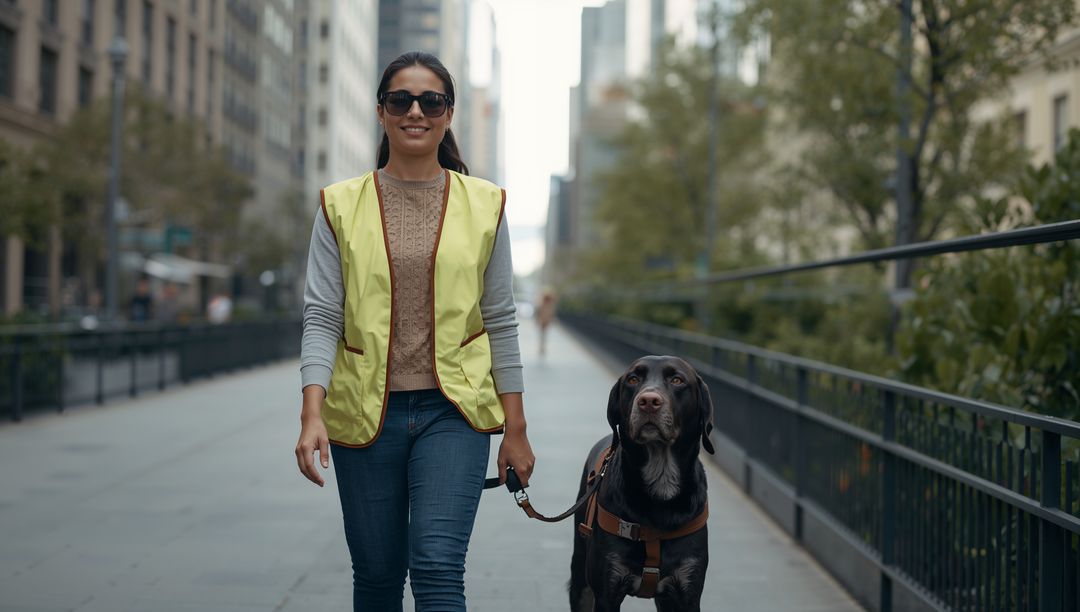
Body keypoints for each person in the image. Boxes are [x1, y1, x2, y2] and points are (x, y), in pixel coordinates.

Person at [295, 51, 534, 612]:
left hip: (455, 412)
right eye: (401, 100)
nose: (416, 111)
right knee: (377, 577)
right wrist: (311, 412)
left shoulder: (486, 204)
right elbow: (323, 314)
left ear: (449, 114)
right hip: (364, 413)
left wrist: (515, 428)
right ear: (381, 112)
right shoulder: (339, 205)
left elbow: (500, 317)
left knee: (436, 565)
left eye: (432, 100)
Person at [535, 289, 557, 357]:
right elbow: (539, 313)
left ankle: (542, 347)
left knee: (543, 335)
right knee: (543, 335)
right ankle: (542, 347)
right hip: (544, 321)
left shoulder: (548, 305)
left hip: (545, 321)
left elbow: (551, 314)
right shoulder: (545, 305)